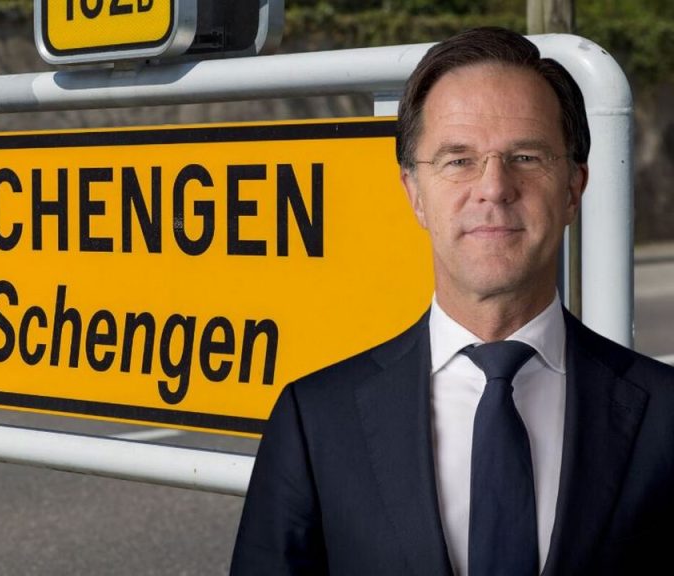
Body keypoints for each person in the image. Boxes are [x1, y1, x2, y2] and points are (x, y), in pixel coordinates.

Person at [230, 27, 674, 576]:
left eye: (526, 156)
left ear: (572, 189)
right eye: (458, 160)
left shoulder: (665, 415)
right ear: (415, 193)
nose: (493, 187)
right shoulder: (315, 421)